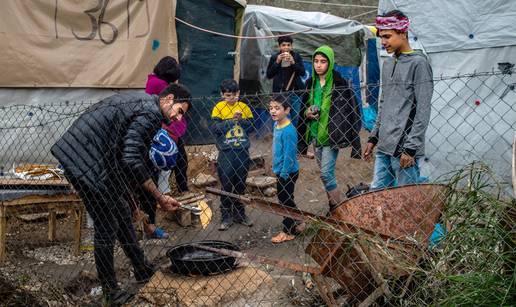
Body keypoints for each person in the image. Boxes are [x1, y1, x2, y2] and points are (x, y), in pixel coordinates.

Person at [51, 83, 191, 305]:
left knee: (123, 211)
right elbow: (131, 158)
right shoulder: (151, 114)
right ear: (169, 99)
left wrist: (133, 198)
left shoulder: (146, 104)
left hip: (96, 160)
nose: (178, 119)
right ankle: (110, 292)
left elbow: (125, 154)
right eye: (179, 111)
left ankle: (142, 268)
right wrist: (159, 196)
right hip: (86, 162)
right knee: (107, 226)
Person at [363, 10, 433, 189]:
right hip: (384, 147)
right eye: (381, 37)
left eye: (387, 36)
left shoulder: (419, 64)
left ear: (403, 33)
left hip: (404, 149)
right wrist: (373, 137)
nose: (383, 42)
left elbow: (423, 110)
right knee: (376, 194)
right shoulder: (388, 63)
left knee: (406, 201)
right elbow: (383, 103)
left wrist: (411, 147)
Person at [298, 45, 362, 212]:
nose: (318, 65)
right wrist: (307, 113)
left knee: (326, 174)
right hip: (314, 135)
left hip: (330, 136)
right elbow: (303, 107)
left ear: (331, 63)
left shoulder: (340, 84)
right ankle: (333, 208)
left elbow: (353, 110)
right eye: (316, 61)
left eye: (323, 62)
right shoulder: (310, 83)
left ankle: (340, 209)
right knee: (326, 176)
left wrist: (351, 134)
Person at [142, 56, 189, 239]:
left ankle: (148, 225)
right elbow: (171, 114)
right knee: (173, 163)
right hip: (163, 136)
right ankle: (150, 225)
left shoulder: (152, 81)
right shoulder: (161, 87)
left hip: (160, 134)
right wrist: (174, 134)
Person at [211, 79, 254, 231]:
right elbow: (216, 128)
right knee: (227, 184)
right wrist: (231, 121)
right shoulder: (219, 108)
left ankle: (240, 214)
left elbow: (251, 128)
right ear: (222, 94)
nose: (232, 98)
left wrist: (241, 120)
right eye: (228, 95)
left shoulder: (244, 107)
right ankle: (226, 216)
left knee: (241, 184)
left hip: (242, 151)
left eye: (234, 95)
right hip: (226, 153)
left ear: (239, 93)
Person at [268, 94, 305, 243]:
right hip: (281, 170)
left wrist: (283, 172)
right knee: (286, 199)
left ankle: (288, 231)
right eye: (271, 108)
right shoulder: (276, 125)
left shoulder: (289, 130)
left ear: (287, 110)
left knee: (285, 201)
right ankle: (299, 219)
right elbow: (278, 150)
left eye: (277, 108)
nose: (273, 111)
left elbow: (289, 155)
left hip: (288, 172)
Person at [266, 35, 306, 127]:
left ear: (291, 46)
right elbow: (269, 75)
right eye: (284, 45)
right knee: (279, 119)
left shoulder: (296, 56)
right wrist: (277, 62)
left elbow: (302, 72)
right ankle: (280, 138)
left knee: (296, 119)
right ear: (280, 46)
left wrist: (293, 62)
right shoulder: (275, 57)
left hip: (294, 92)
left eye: (288, 45)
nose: (286, 47)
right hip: (279, 94)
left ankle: (294, 138)